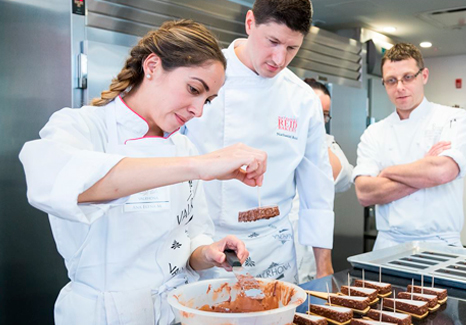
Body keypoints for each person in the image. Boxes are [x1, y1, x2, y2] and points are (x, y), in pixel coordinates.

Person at [19, 20, 266, 324]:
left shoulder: (182, 148)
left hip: (175, 311)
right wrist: (201, 166)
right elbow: (58, 184)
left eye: (207, 100)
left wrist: (207, 252)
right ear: (152, 66)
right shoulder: (83, 127)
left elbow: (188, 238)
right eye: (193, 89)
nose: (198, 110)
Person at [183, 0, 335, 284]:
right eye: (273, 41)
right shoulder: (201, 79)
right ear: (250, 23)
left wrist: (323, 268)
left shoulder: (302, 99)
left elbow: (318, 189)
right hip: (208, 246)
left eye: (292, 48)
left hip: (275, 249)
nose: (279, 59)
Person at [353, 43, 466, 251]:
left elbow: (443, 171)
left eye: (408, 77)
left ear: (423, 76)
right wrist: (424, 170)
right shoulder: (374, 132)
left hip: (440, 244)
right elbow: (364, 193)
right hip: (388, 244)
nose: (400, 87)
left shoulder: (453, 118)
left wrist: (387, 172)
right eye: (391, 81)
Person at [290, 78, 353, 283]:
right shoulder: (280, 139)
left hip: (310, 251)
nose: (318, 118)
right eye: (313, 110)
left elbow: (341, 173)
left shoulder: (326, 142)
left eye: (324, 114)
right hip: (274, 249)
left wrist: (310, 136)